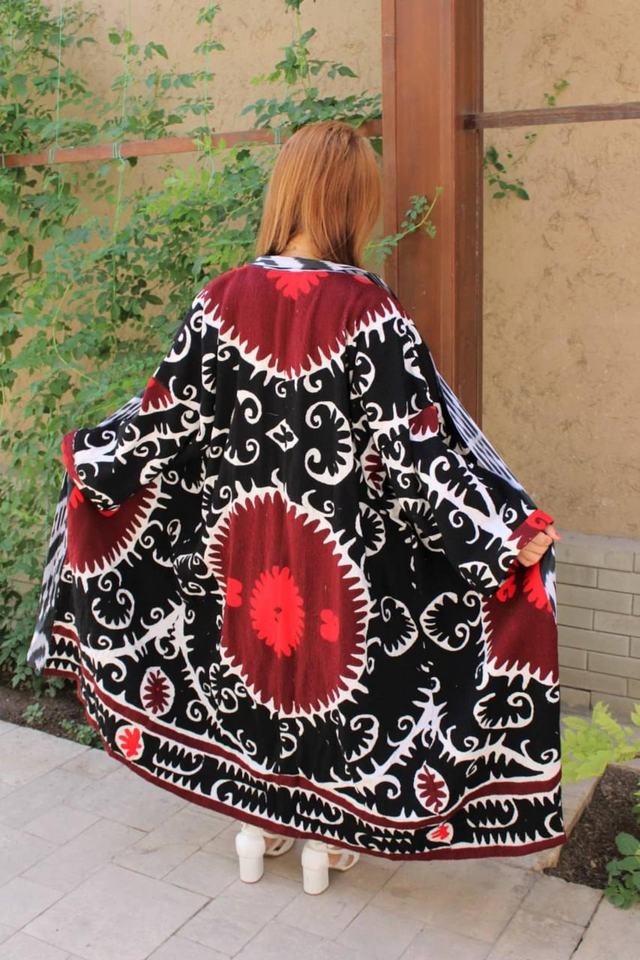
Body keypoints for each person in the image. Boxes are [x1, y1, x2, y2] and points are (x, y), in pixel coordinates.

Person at [28, 118, 565, 897]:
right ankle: (323, 843)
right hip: (336, 554)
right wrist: (501, 532)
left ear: (286, 191)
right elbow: (413, 454)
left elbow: (166, 423)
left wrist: (96, 462)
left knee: (255, 670)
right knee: (329, 680)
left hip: (241, 552)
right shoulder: (371, 313)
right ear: (356, 202)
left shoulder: (220, 300)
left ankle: (259, 829)